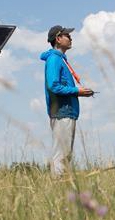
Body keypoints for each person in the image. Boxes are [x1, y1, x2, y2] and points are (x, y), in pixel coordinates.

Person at [40, 25, 94, 176]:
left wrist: (79, 92)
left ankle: (62, 185)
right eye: (67, 36)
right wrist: (77, 91)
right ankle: (58, 185)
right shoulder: (54, 59)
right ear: (58, 39)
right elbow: (53, 86)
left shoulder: (60, 59)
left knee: (65, 154)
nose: (71, 38)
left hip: (66, 111)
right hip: (62, 111)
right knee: (61, 155)